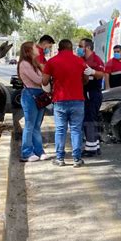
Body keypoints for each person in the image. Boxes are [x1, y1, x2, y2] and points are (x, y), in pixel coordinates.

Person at [42, 39, 89, 168]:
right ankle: (77, 159)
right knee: (76, 130)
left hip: (59, 101)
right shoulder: (80, 61)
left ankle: (60, 159)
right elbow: (86, 78)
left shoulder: (52, 61)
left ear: (59, 49)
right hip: (78, 100)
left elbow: (44, 81)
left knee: (60, 130)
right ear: (71, 49)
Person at [18, 41, 49, 162]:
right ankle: (26, 152)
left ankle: (39, 150)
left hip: (38, 94)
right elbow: (38, 79)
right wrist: (45, 76)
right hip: (30, 95)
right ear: (28, 51)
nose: (37, 49)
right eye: (35, 47)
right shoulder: (25, 64)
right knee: (30, 124)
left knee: (36, 125)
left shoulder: (34, 63)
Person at [77, 38, 105, 157]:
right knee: (90, 118)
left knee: (89, 119)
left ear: (87, 47)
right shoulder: (82, 59)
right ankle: (95, 145)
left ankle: (91, 148)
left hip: (92, 93)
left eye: (80, 46)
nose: (78, 48)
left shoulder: (95, 59)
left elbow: (101, 74)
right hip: (86, 92)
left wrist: (93, 72)